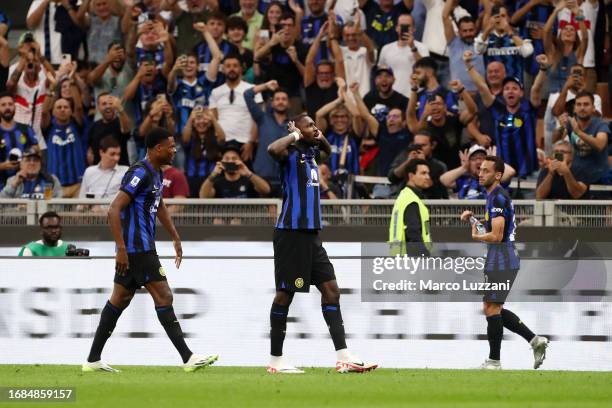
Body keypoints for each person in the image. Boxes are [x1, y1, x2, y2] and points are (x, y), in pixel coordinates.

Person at [83, 127, 218, 373]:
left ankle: (92, 359)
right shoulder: (139, 172)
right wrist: (121, 249)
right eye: (171, 146)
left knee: (119, 299)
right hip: (137, 250)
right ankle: (188, 358)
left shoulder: (156, 173)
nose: (175, 150)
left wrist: (175, 235)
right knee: (164, 296)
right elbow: (114, 210)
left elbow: (160, 204)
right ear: (157, 149)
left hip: (140, 248)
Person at [266, 114, 377, 373]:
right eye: (310, 125)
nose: (316, 129)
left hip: (312, 235)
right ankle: (275, 360)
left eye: (317, 125)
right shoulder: (289, 154)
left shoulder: (311, 154)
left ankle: (344, 357)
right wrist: (295, 133)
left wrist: (315, 135)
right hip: (291, 233)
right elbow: (272, 149)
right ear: (296, 130)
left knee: (331, 290)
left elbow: (326, 149)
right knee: (285, 295)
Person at [461, 155, 548, 370]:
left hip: (502, 259)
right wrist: (474, 220)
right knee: (492, 307)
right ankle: (534, 340)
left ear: (498, 175)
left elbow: (497, 236)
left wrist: (476, 237)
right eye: (480, 170)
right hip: (500, 258)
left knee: (492, 308)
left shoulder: (497, 197)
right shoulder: (493, 196)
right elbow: (495, 228)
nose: (480, 173)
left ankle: (494, 361)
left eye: (486, 171)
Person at [465, 50, 546, 178]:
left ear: (521, 93)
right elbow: (482, 87)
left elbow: (536, 88)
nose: (510, 91)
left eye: (515, 88)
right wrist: (469, 65)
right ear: (503, 93)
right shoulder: (498, 110)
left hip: (529, 171)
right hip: (503, 173)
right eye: (507, 89)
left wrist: (542, 68)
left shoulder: (528, 110)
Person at [408, 79, 477, 169]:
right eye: (432, 105)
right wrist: (424, 114)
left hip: (457, 170)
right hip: (434, 171)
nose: (435, 107)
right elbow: (412, 120)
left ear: (445, 107)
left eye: (438, 104)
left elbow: (473, 111)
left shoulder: (454, 120)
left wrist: (461, 90)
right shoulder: (426, 127)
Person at [553, 91, 610, 186]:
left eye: (586, 104)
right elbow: (554, 141)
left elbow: (600, 145)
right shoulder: (571, 122)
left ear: (593, 108)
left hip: (600, 178)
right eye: (578, 104)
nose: (582, 108)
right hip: (577, 177)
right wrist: (561, 127)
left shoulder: (600, 124)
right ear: (574, 108)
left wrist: (578, 132)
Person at [243, 80, 289, 196]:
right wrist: (266, 86)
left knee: (284, 212)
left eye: (284, 99)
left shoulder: (294, 124)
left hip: (285, 176)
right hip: (262, 174)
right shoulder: (262, 118)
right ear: (272, 102)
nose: (280, 102)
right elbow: (247, 95)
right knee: (263, 212)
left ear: (289, 103)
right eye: (277, 99)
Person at [209, 55, 262, 146]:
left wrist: (251, 142)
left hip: (246, 142)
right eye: (228, 66)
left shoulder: (253, 89)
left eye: (235, 66)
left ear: (241, 69)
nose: (231, 69)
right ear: (223, 69)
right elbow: (214, 119)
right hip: (222, 141)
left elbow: (258, 119)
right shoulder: (215, 92)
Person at [474, 4, 534, 82]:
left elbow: (528, 52)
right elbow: (478, 50)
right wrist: (488, 28)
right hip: (493, 88)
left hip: (514, 87)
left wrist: (509, 32)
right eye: (497, 17)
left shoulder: (518, 36)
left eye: (503, 16)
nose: (499, 20)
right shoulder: (486, 38)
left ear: (508, 18)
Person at [41, 96, 86, 198]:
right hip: (54, 185)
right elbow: (44, 112)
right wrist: (51, 90)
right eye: (59, 107)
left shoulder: (77, 125)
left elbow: (79, 107)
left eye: (66, 107)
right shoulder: (48, 128)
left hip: (77, 184)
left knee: (78, 214)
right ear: (52, 112)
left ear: (71, 111)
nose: (62, 109)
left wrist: (73, 82)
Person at [541, 1, 588, 94]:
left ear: (575, 38)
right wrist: (556, 11)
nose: (568, 31)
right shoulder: (552, 53)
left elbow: (585, 38)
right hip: (552, 98)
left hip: (571, 100)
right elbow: (546, 32)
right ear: (560, 35)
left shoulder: (578, 54)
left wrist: (578, 15)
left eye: (572, 30)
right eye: (565, 29)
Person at [388, 158, 432, 256]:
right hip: (413, 262)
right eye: (423, 173)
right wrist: (426, 258)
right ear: (411, 176)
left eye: (428, 173)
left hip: (401, 259)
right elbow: (413, 234)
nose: (428, 177)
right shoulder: (411, 200)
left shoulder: (404, 196)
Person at [378, 14, 428, 97]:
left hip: (414, 95)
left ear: (414, 29)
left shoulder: (422, 47)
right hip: (392, 96)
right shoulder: (386, 49)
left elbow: (426, 70)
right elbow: (381, 73)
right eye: (402, 26)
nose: (404, 29)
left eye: (407, 26)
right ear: (397, 28)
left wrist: (412, 47)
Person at [388, 131, 448, 199]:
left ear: (432, 145)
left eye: (423, 145)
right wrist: (408, 162)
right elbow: (392, 178)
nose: (419, 148)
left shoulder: (438, 166)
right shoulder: (404, 157)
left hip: (429, 200)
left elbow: (432, 187)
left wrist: (422, 163)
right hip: (404, 197)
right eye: (416, 145)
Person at [440, 145, 515, 199]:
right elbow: (444, 180)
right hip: (468, 218)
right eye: (473, 159)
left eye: (482, 158)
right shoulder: (464, 181)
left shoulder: (496, 178)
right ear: (468, 163)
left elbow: (510, 172)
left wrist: (494, 161)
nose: (478, 161)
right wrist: (464, 168)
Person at [303, 21, 344, 119]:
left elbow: (339, 60)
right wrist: (319, 36)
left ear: (333, 74)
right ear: (316, 74)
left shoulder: (338, 86)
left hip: (336, 128)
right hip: (314, 130)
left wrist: (332, 36)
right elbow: (309, 61)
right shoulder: (310, 85)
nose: (324, 76)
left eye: (327, 73)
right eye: (321, 73)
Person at [199, 143, 270, 198]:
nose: (230, 161)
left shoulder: (249, 181)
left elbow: (266, 190)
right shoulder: (217, 182)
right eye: (227, 158)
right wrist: (214, 174)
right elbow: (203, 196)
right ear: (221, 161)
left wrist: (248, 174)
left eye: (234, 158)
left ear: (240, 161)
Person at [182, 106, 225, 198]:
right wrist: (190, 119)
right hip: (191, 180)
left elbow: (222, 139)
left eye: (205, 119)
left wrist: (213, 118)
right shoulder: (191, 139)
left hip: (212, 180)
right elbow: (185, 139)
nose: (201, 122)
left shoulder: (215, 139)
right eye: (198, 119)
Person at [0, 92, 40, 190]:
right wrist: (3, 166)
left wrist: (26, 157)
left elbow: (37, 150)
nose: (7, 107)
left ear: (15, 107)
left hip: (26, 184)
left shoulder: (25, 129)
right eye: (3, 105)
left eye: (10, 104)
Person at [442, 2, 484, 93]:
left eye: (471, 30)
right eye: (465, 31)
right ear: (459, 32)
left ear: (475, 30)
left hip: (481, 94)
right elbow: (445, 16)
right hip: (459, 94)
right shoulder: (453, 43)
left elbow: (488, 14)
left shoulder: (481, 43)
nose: (468, 33)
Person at [87, 93, 132, 166]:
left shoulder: (121, 122)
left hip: (120, 171)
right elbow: (90, 151)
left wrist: (120, 108)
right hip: (100, 172)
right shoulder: (94, 126)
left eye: (111, 103)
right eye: (104, 104)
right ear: (98, 107)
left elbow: (127, 129)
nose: (108, 106)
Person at [340, 20, 376, 96]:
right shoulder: (340, 52)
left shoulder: (366, 51)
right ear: (343, 37)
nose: (351, 38)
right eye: (347, 35)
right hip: (347, 100)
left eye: (354, 35)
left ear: (359, 35)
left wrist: (360, 31)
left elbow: (370, 48)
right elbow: (330, 45)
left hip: (365, 98)